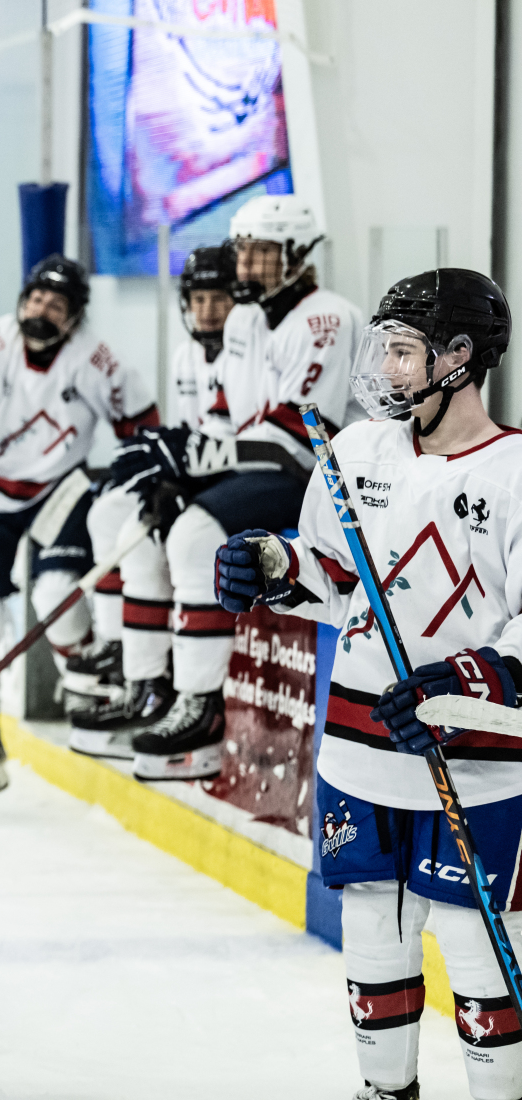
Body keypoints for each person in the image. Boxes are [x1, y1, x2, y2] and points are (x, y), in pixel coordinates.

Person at [213, 268, 519, 1100]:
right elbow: (334, 575)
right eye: (383, 349)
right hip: (357, 751)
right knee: (373, 942)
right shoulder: (355, 451)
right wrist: (273, 564)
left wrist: (468, 681)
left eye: (403, 352)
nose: (384, 368)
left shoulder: (516, 472)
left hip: (476, 767)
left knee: (478, 956)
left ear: (460, 356)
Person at [113, 195, 361, 781]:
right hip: (263, 469)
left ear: (296, 254)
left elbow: (297, 438)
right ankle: (151, 686)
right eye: (242, 251)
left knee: (195, 538)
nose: (245, 265)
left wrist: (194, 456)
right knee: (143, 529)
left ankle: (201, 710)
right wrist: (182, 471)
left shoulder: (327, 319)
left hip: (321, 480)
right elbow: (227, 415)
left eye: (261, 253)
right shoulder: (246, 319)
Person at [0, 253, 157, 805]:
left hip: (60, 490)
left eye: (56, 305)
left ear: (75, 316)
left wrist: (144, 475)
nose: (41, 310)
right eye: (36, 298)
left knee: (56, 593)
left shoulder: (95, 360)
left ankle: (94, 704)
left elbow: (140, 421)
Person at [78, 243, 237, 758]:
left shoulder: (248, 349)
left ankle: (178, 690)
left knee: (154, 539)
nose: (207, 310)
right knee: (110, 513)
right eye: (199, 299)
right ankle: (133, 666)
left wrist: (180, 485)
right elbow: (188, 432)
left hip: (242, 476)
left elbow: (236, 438)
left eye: (219, 298)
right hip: (202, 472)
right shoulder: (186, 354)